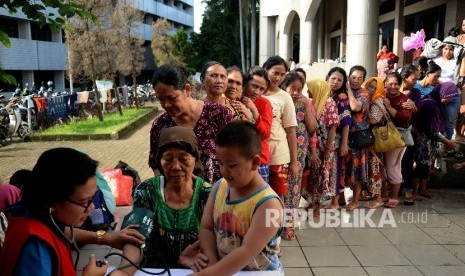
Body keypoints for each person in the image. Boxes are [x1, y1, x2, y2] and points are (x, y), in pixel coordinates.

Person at [113, 127, 211, 275]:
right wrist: (124, 272)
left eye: (184, 159)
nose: (176, 167)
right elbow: (135, 238)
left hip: (195, 270)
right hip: (153, 270)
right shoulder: (146, 191)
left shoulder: (208, 195)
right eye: (168, 159)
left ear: (195, 159)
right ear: (160, 161)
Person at [0, 148, 108, 275]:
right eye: (85, 202)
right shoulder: (35, 248)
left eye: (92, 199)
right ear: (52, 200)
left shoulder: (40, 217)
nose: (92, 207)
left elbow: (62, 232)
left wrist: (106, 238)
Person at [195, 121, 283, 275]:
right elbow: (206, 228)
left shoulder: (269, 205)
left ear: (255, 162)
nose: (224, 171)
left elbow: (247, 251)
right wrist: (212, 263)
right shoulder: (220, 187)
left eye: (232, 165)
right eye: (220, 163)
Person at [148, 64, 232, 184]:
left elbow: (234, 155)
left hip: (218, 194)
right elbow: (155, 164)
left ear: (187, 90)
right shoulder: (160, 125)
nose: (166, 105)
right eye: (161, 99)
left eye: (171, 97)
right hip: (179, 198)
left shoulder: (218, 114)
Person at [281, 72, 317, 232]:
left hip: (299, 154)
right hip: (281, 151)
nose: (295, 93)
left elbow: (312, 128)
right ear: (285, 88)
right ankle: (275, 224)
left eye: (299, 89)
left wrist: (307, 107)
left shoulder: (305, 103)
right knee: (280, 185)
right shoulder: (280, 101)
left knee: (294, 187)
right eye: (292, 89)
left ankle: (289, 224)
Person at [262, 55, 298, 202]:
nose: (278, 78)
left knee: (278, 196)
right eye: (275, 73)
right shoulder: (253, 92)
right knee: (259, 197)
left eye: (282, 74)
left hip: (279, 154)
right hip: (257, 154)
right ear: (265, 69)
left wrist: (294, 162)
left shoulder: (285, 97)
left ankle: (278, 225)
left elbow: (291, 131)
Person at [306, 79, 339, 217]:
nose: (308, 92)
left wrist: (327, 150)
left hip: (324, 146)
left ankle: (317, 208)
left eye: (310, 90)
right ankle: (311, 202)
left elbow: (332, 128)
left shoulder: (329, 102)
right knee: (311, 175)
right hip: (312, 145)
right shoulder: (310, 102)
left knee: (321, 175)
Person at [382, 72, 413, 208]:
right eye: (390, 84)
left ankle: (394, 197)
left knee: (393, 167)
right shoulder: (381, 95)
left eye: (396, 84)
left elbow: (403, 118)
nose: (393, 87)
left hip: (397, 138)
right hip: (381, 137)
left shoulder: (404, 100)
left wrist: (388, 107)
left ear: (400, 85)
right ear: (385, 84)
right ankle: (383, 195)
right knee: (381, 167)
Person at [344, 65, 370, 211]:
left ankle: (355, 200)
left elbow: (355, 107)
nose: (356, 80)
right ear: (349, 77)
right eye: (353, 77)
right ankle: (340, 196)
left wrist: (348, 90)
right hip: (344, 136)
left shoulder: (364, 94)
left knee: (358, 168)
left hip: (358, 137)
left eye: (359, 78)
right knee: (343, 167)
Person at [241, 66, 273, 183]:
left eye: (261, 89)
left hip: (258, 160)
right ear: (245, 82)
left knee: (259, 199)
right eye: (254, 86)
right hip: (237, 158)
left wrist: (254, 112)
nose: (257, 92)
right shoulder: (234, 99)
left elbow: (265, 134)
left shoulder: (264, 103)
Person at [326, 67, 352, 209]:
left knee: (335, 169)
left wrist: (344, 143)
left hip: (336, 141)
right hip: (325, 140)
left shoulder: (341, 97)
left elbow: (346, 122)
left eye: (339, 80)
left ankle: (335, 202)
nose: (335, 82)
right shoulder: (326, 94)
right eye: (333, 78)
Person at [363, 77, 387, 209]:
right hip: (370, 141)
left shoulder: (377, 100)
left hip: (374, 142)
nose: (370, 90)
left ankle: (378, 199)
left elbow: (373, 120)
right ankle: (374, 195)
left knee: (375, 169)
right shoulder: (370, 100)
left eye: (374, 87)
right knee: (373, 168)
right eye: (369, 86)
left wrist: (364, 111)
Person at [433, 39, 460, 140]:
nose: (448, 51)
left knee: (449, 121)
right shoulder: (435, 60)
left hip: (452, 96)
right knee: (436, 119)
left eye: (451, 49)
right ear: (442, 48)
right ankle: (437, 145)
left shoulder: (457, 63)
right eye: (445, 48)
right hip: (437, 94)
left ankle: (448, 146)